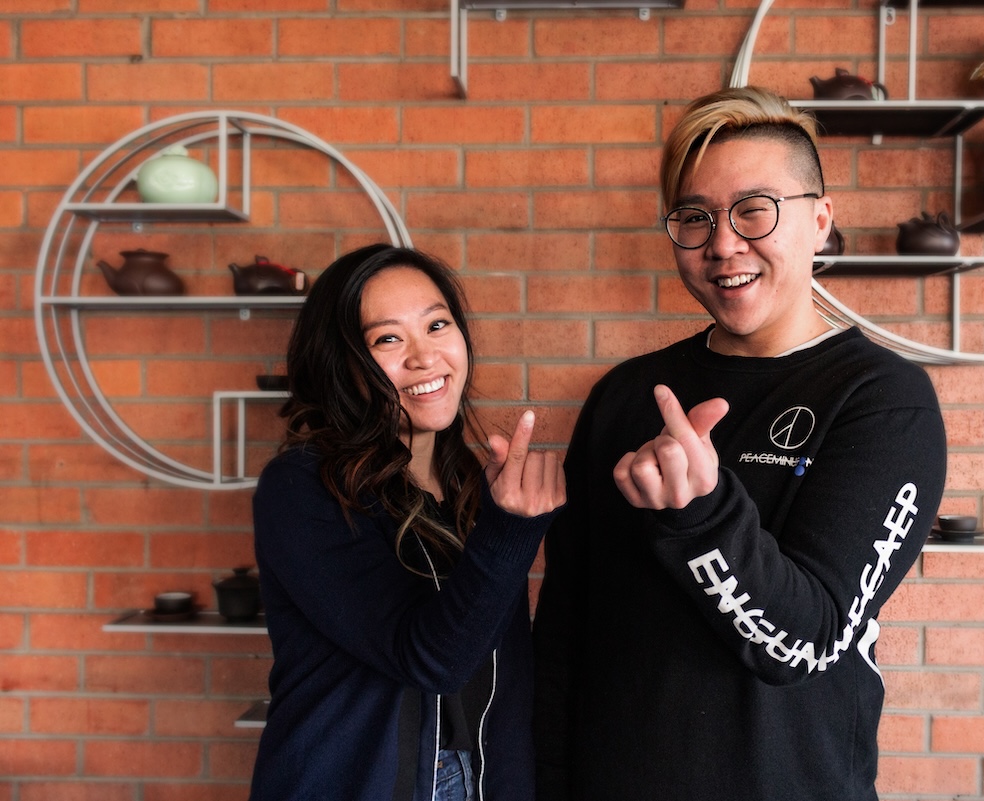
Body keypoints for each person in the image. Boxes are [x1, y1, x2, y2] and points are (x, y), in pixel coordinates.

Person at [532, 86, 947, 801]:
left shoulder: (883, 402)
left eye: (754, 210)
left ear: (820, 221)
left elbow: (807, 638)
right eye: (695, 218)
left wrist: (699, 514)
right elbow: (567, 631)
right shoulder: (625, 395)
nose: (723, 244)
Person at [250, 244, 564, 801]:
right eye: (387, 339)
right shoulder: (302, 488)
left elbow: (503, 673)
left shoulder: (468, 479)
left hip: (478, 778)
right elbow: (432, 658)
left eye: (437, 325)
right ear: (340, 364)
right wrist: (511, 530)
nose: (425, 357)